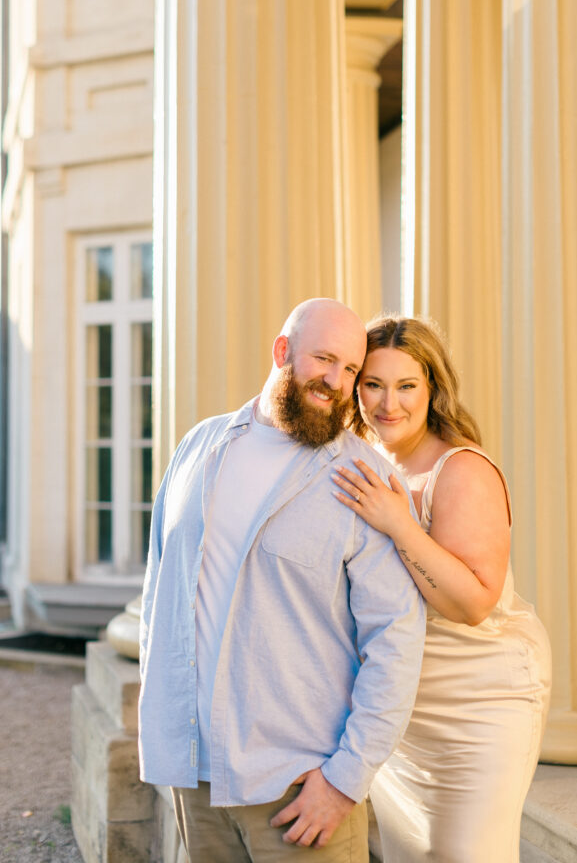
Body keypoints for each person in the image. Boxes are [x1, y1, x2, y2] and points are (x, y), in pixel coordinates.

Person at [138, 298, 425, 863]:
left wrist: (345, 780)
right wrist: (166, 727)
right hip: (194, 776)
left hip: (301, 787)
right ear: (281, 352)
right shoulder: (198, 447)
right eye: (324, 360)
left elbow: (396, 636)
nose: (336, 382)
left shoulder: (364, 477)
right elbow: (159, 597)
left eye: (350, 370)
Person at [333, 315, 551, 863]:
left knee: (466, 855)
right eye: (373, 385)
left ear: (433, 389)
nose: (389, 404)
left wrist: (400, 524)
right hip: (403, 704)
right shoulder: (368, 464)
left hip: (482, 700)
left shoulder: (462, 470)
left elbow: (475, 603)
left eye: (407, 385)